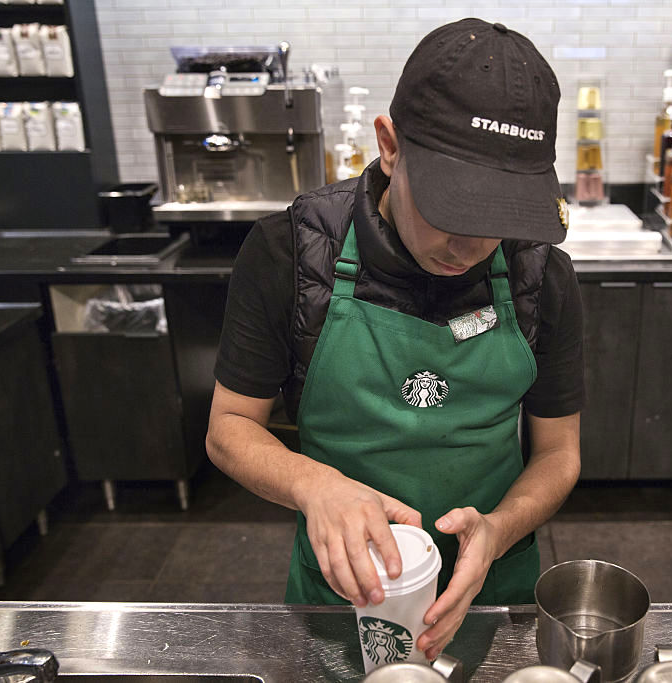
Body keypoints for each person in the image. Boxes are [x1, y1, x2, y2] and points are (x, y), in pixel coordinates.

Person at [206, 18, 584, 661]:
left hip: (492, 590)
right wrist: (313, 486)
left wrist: (498, 529)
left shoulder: (538, 273)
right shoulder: (293, 254)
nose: (470, 247)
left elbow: (558, 453)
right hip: (344, 594)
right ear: (390, 145)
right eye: (453, 210)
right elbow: (229, 427)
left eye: (499, 219)